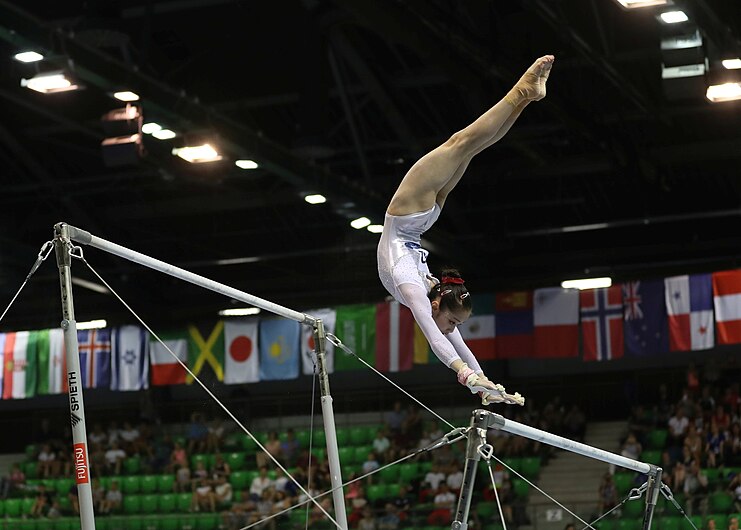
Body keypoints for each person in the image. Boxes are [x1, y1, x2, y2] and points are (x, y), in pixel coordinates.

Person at [377, 55, 555, 405]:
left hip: (406, 214)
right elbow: (452, 341)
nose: (453, 328)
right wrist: (480, 380)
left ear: (439, 305)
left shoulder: (414, 291)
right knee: (469, 147)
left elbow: (438, 339)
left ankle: (524, 92)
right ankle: (525, 95)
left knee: (463, 143)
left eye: (453, 321)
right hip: (421, 220)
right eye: (455, 322)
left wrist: (474, 379)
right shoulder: (432, 296)